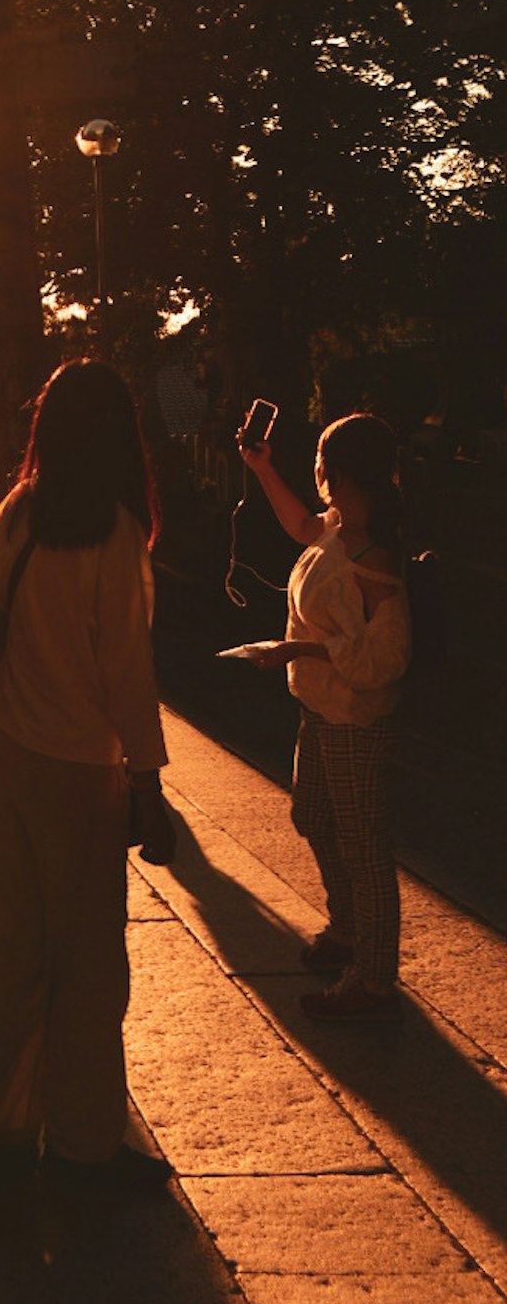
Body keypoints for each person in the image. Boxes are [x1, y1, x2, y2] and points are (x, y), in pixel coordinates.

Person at [0, 360, 176, 1196]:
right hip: (81, 765)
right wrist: (147, 776)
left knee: (11, 944)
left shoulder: (17, 512)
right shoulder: (113, 531)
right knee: (87, 962)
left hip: (7, 752)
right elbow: (125, 669)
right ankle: (83, 1141)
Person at [238, 411, 411, 1020]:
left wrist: (295, 649)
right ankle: (347, 930)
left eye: (320, 461)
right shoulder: (339, 529)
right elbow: (301, 525)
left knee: (365, 847)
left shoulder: (375, 558)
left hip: (354, 717)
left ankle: (374, 979)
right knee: (311, 815)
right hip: (319, 707)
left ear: (338, 470)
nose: (315, 471)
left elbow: (384, 660)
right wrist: (262, 469)